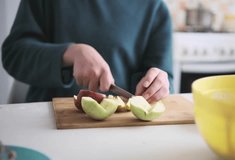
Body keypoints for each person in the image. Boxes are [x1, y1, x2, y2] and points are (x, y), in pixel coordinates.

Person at [1, 0, 174, 103]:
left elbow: (165, 80)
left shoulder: (155, 7)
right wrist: (70, 53)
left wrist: (159, 84)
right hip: (47, 127)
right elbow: (13, 55)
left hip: (122, 131)